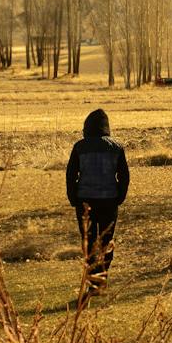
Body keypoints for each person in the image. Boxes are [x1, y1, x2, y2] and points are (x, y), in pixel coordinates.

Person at [65, 108, 129, 294]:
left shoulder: (79, 147)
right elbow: (124, 176)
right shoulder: (117, 147)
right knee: (106, 241)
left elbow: (70, 174)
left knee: (89, 240)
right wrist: (120, 197)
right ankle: (102, 279)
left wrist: (73, 198)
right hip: (110, 200)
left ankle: (92, 281)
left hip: (85, 201)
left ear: (87, 128)